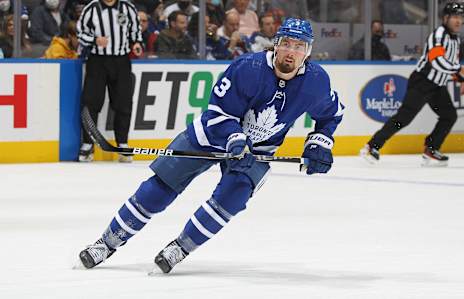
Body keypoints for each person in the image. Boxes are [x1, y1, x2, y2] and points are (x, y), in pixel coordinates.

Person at [77, 17, 344, 273]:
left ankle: (179, 249)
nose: (290, 51)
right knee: (158, 189)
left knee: (231, 198)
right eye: (286, 43)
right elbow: (218, 112)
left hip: (257, 152)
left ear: (307, 52)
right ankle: (106, 243)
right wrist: (234, 137)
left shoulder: (316, 82)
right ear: (276, 44)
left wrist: (319, 143)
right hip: (210, 136)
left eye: (299, 47)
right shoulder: (248, 68)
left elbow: (332, 114)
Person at [360, 2, 464, 167]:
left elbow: (450, 63)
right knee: (404, 118)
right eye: (454, 17)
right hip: (422, 82)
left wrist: (460, 79)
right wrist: (459, 70)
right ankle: (372, 146)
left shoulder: (455, 39)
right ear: (445, 18)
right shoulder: (439, 35)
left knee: (449, 115)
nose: (458, 21)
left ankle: (431, 149)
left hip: (437, 85)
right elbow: (437, 61)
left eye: (460, 17)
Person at [77, 0, 142, 162]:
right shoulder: (92, 8)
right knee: (91, 102)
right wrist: (94, 40)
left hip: (121, 61)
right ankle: (87, 144)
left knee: (123, 103)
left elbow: (136, 31)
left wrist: (136, 43)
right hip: (97, 61)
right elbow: (80, 32)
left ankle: (123, 144)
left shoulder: (128, 8)